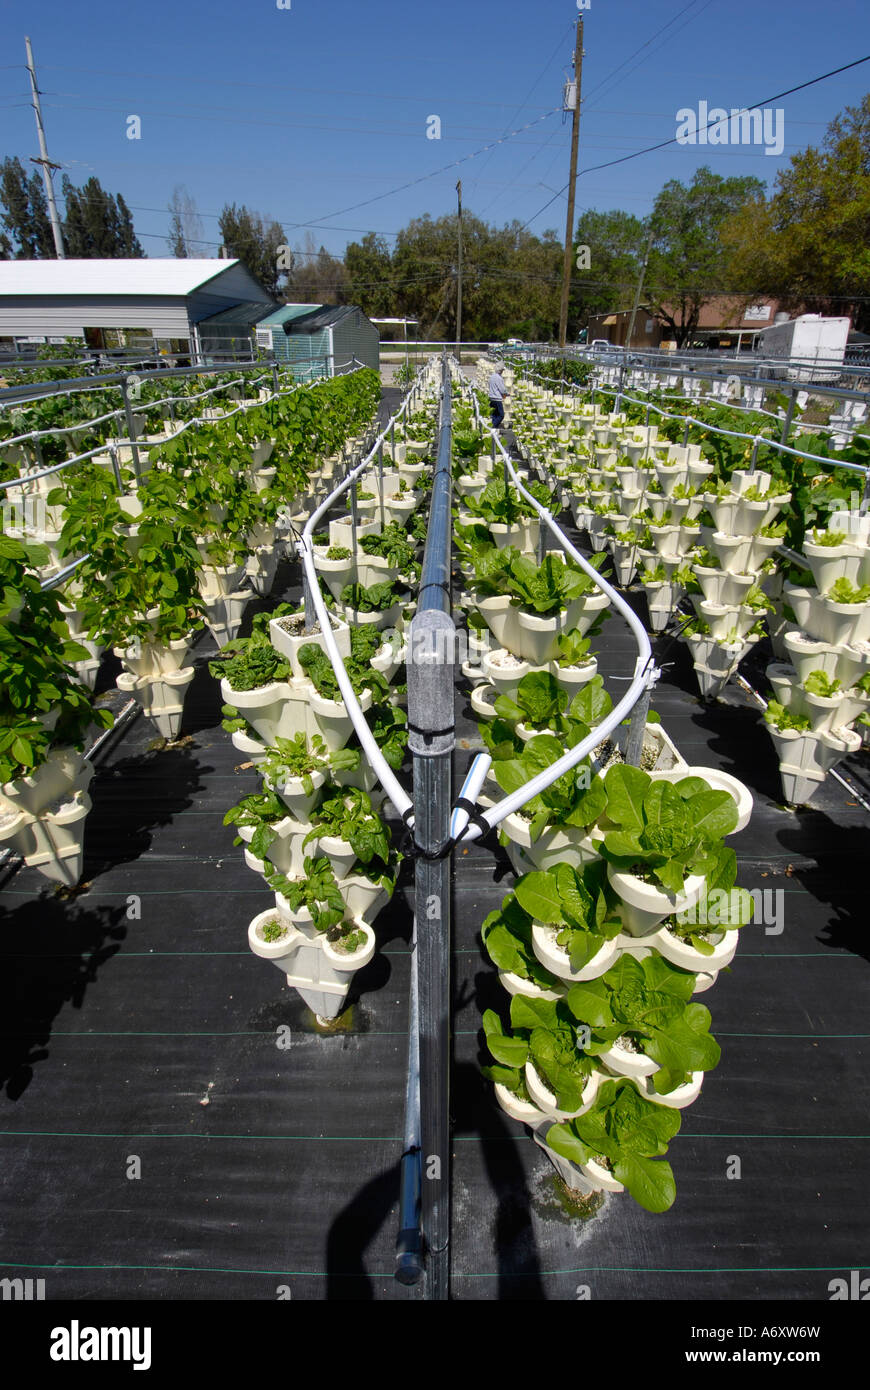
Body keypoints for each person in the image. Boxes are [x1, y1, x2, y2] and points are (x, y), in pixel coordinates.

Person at [487, 361, 508, 431]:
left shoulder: (492, 376)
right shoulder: (499, 378)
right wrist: (506, 393)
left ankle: (493, 428)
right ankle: (493, 426)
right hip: (497, 399)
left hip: (491, 398)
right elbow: (502, 389)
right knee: (501, 415)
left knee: (494, 414)